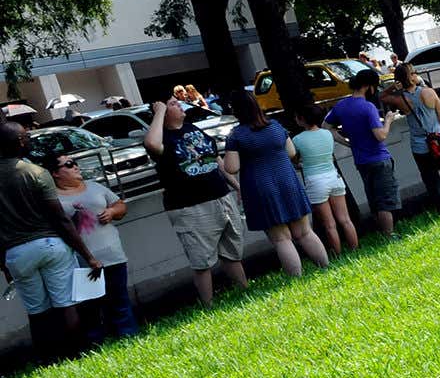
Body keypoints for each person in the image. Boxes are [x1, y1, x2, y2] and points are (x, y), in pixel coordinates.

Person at [0, 123, 102, 359]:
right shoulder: (36, 172)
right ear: (19, 143)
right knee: (66, 303)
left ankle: (48, 359)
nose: (29, 140)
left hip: (16, 252)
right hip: (50, 244)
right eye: (26, 137)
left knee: (37, 311)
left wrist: (3, 264)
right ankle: (78, 354)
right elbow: (60, 219)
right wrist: (88, 255)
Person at [145, 96, 247, 307]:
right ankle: (207, 305)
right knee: (202, 261)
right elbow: (152, 144)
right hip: (190, 207)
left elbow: (215, 159)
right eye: (172, 104)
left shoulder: (192, 128)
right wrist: (159, 111)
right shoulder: (162, 137)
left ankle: (245, 291)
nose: (179, 105)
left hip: (220, 197)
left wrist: (237, 187)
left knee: (232, 253)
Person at [222, 92, 327, 277]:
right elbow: (292, 152)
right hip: (288, 181)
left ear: (236, 111)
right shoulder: (276, 126)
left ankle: (296, 278)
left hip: (260, 187)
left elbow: (231, 168)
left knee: (281, 239)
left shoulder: (237, 136)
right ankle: (325, 268)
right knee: (304, 232)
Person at [44, 154, 138, 343]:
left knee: (119, 301)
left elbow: (120, 206)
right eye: (69, 165)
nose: (75, 167)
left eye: (75, 163)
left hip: (113, 256)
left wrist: (112, 212)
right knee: (90, 308)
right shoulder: (53, 199)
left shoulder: (95, 187)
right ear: (55, 173)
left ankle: (128, 337)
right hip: (81, 262)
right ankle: (96, 344)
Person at [382, 62, 440, 217]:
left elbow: (383, 96)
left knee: (432, 180)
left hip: (419, 145)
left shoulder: (401, 99)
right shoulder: (429, 93)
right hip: (439, 141)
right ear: (412, 76)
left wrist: (395, 86)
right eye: (414, 72)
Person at [324, 68, 399, 237]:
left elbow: (326, 127)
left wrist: (347, 143)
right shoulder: (368, 107)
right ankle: (389, 234)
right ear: (368, 86)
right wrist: (388, 121)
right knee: (384, 200)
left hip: (361, 160)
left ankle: (380, 232)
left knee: (372, 196)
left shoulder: (341, 105)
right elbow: (380, 135)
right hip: (379, 157)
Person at [293, 104, 359, 256]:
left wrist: (299, 163)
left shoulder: (297, 139)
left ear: (301, 119)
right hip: (334, 177)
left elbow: (295, 160)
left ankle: (337, 254)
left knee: (329, 224)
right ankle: (355, 249)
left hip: (315, 181)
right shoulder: (327, 134)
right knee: (345, 219)